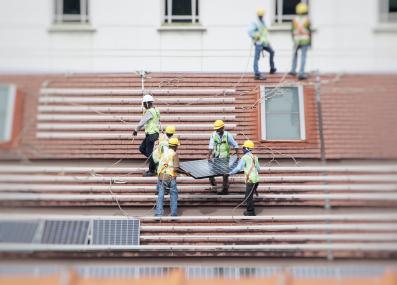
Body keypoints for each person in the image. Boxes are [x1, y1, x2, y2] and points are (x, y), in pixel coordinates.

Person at [228, 140, 260, 216]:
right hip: (256, 180)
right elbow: (258, 169)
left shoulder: (245, 158)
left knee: (248, 197)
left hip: (251, 180)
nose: (242, 149)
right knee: (249, 195)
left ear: (246, 148)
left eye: (243, 147)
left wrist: (230, 173)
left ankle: (250, 211)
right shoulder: (255, 157)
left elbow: (238, 168)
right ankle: (254, 192)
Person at [207, 120, 238, 195]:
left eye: (218, 128)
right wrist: (208, 155)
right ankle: (214, 187)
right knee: (210, 173)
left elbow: (235, 145)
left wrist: (238, 155)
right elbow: (211, 146)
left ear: (223, 127)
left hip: (225, 158)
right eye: (216, 129)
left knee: (225, 175)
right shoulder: (213, 135)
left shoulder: (228, 135)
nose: (217, 130)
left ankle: (225, 189)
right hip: (216, 157)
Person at [132, 94, 160, 176]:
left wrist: (135, 130)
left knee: (150, 153)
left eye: (144, 104)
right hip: (152, 134)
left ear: (147, 103)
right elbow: (150, 122)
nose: (144, 106)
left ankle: (152, 170)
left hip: (152, 134)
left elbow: (142, 122)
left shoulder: (149, 112)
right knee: (142, 149)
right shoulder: (156, 110)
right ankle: (154, 162)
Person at [155, 137, 183, 217]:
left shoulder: (163, 153)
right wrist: (185, 172)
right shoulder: (174, 154)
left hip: (161, 177)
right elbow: (176, 168)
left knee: (160, 196)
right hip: (170, 178)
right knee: (173, 196)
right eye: (177, 146)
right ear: (175, 146)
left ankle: (158, 213)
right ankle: (173, 214)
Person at [248, 8, 277, 80]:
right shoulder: (255, 23)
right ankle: (257, 73)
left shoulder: (263, 22)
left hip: (264, 43)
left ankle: (272, 68)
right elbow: (250, 32)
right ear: (258, 15)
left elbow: (264, 33)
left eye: (262, 15)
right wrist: (256, 36)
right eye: (260, 15)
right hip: (258, 43)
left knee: (272, 52)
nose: (261, 16)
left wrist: (267, 41)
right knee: (256, 58)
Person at [289, 3, 311, 80]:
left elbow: (292, 30)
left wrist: (293, 39)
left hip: (296, 40)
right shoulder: (307, 19)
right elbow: (309, 30)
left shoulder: (294, 19)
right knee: (303, 56)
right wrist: (310, 42)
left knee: (294, 55)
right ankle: (301, 73)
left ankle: (293, 70)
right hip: (305, 40)